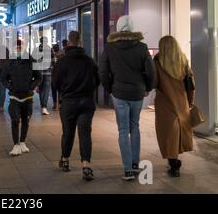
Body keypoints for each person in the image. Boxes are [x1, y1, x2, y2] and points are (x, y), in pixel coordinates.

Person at [99, 15, 155, 181]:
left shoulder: (110, 48)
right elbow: (151, 71)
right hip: (137, 92)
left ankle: (128, 170)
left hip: (119, 93)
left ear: (118, 28)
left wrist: (110, 88)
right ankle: (136, 163)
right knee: (134, 126)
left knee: (123, 129)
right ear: (132, 28)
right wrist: (147, 87)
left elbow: (102, 72)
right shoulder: (142, 47)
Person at [53, 31, 100, 181]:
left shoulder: (61, 62)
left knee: (68, 132)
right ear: (80, 42)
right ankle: (86, 166)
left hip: (69, 102)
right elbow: (97, 80)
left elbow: (55, 83)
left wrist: (64, 93)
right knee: (85, 133)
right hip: (87, 101)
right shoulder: (89, 61)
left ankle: (65, 160)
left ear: (68, 43)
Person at [154, 36, 195, 177]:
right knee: (178, 133)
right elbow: (191, 85)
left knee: (168, 134)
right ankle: (174, 161)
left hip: (164, 103)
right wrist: (190, 102)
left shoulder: (158, 61)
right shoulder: (183, 61)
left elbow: (154, 82)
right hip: (181, 102)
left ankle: (173, 163)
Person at [2, 40, 42, 156]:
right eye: (17, 46)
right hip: (14, 96)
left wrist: (31, 86)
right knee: (15, 120)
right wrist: (10, 87)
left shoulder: (31, 61)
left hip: (27, 96)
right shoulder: (9, 62)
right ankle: (16, 145)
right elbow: (3, 78)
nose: (18, 48)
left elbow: (39, 77)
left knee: (25, 120)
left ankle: (23, 142)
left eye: (20, 46)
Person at [34, 37, 54, 115]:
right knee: (46, 90)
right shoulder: (50, 49)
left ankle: (42, 105)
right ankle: (44, 107)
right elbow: (54, 61)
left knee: (41, 90)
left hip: (39, 73)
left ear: (40, 41)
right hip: (48, 73)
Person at [51, 44, 62, 111]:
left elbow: (52, 65)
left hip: (54, 76)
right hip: (61, 76)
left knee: (54, 90)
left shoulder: (52, 55)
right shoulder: (62, 56)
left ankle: (55, 104)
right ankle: (60, 105)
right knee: (60, 90)